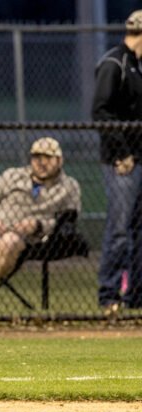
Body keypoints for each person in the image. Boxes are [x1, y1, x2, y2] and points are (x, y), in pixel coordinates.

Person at [0, 137, 81, 311]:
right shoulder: (12, 175)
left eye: (47, 158)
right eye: (37, 157)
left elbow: (68, 221)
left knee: (10, 241)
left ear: (59, 160)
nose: (41, 163)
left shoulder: (69, 186)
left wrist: (38, 225)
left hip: (29, 238)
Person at [92, 9, 142, 312]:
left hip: (140, 158)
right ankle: (109, 294)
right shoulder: (115, 63)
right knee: (120, 229)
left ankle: (136, 294)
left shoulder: (137, 66)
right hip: (121, 162)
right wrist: (122, 152)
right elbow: (101, 112)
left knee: (138, 231)